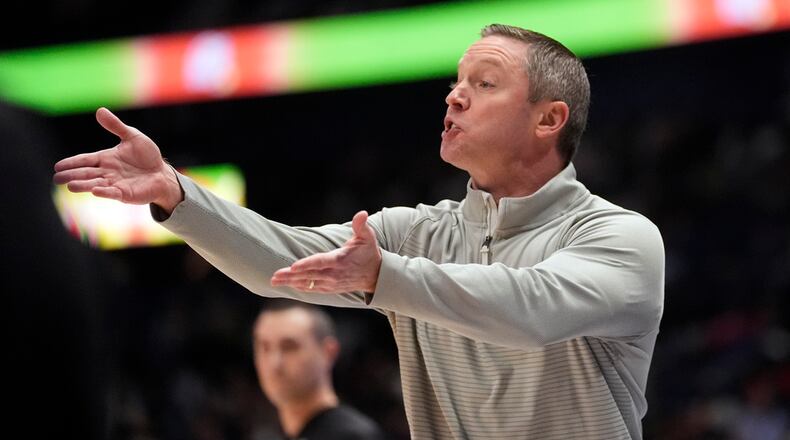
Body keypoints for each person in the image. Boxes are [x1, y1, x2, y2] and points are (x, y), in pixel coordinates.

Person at [54, 24, 665, 439]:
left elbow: (530, 309)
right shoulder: (415, 234)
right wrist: (176, 193)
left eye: (484, 83)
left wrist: (385, 276)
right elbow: (278, 261)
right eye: (456, 82)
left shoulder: (619, 238)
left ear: (549, 119)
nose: (454, 97)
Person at [251, 300, 386, 439]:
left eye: (289, 347)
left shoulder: (353, 436)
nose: (275, 363)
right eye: (264, 347)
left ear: (328, 352)